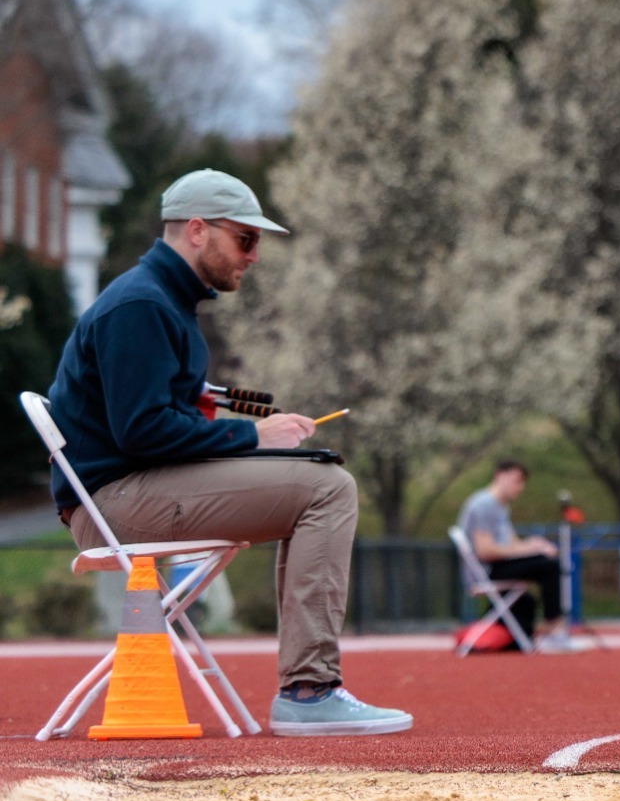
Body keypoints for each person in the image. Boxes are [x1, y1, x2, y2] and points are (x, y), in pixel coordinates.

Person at [44, 170, 411, 736]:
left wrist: (254, 441)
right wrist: (254, 437)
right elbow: (142, 433)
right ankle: (309, 691)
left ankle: (309, 687)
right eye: (245, 239)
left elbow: (160, 425)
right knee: (329, 488)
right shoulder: (140, 306)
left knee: (320, 477)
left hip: (122, 492)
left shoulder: (161, 300)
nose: (255, 255)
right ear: (197, 230)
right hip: (112, 503)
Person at [457, 459, 580, 652]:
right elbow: (485, 550)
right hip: (486, 570)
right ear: (499, 475)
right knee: (549, 565)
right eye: (516, 480)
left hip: (498, 566)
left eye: (522, 482)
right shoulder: (483, 505)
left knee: (527, 600)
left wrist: (533, 544)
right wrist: (531, 550)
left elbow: (511, 544)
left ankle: (523, 638)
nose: (520, 487)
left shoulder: (500, 507)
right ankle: (555, 629)